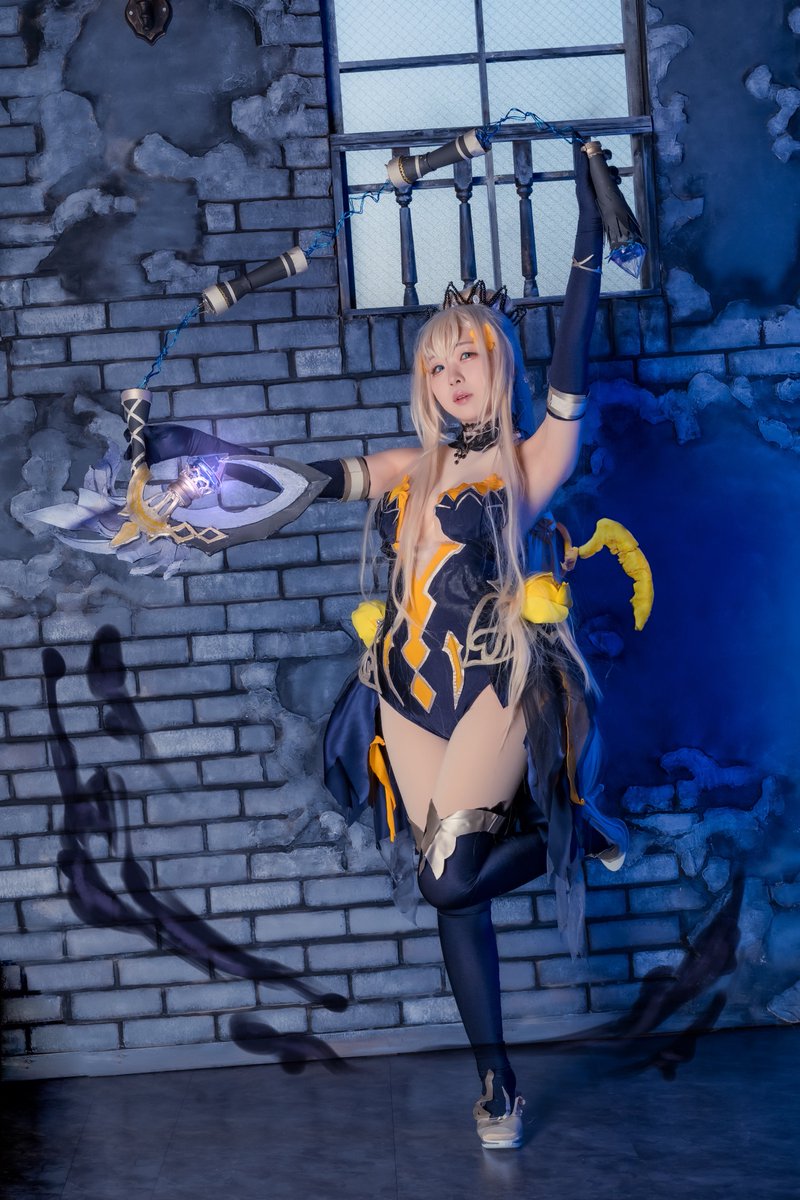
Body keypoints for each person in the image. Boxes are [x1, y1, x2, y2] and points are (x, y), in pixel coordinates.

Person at [321, 140, 629, 1149]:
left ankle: (572, 825)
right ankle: (496, 1085)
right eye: (436, 362)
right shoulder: (408, 467)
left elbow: (573, 355)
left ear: (499, 362)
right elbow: (306, 483)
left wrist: (585, 235)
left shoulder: (532, 459)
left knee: (451, 875)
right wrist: (193, 478)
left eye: (470, 356)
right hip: (404, 693)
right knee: (450, 898)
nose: (452, 375)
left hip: (496, 681)